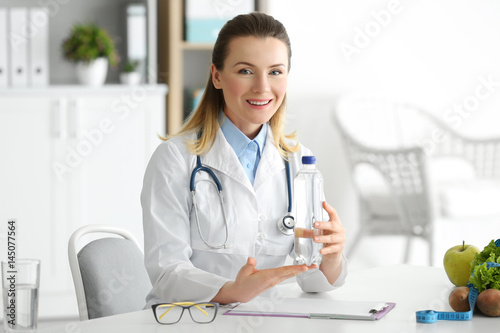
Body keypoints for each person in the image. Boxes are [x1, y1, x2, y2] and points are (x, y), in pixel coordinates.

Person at [141, 12, 347, 306]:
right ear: (217, 76)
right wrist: (231, 291)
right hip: (191, 319)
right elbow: (167, 273)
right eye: (246, 71)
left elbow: (312, 280)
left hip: (266, 320)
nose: (262, 87)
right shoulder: (175, 159)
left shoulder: (298, 162)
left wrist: (332, 255)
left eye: (275, 72)